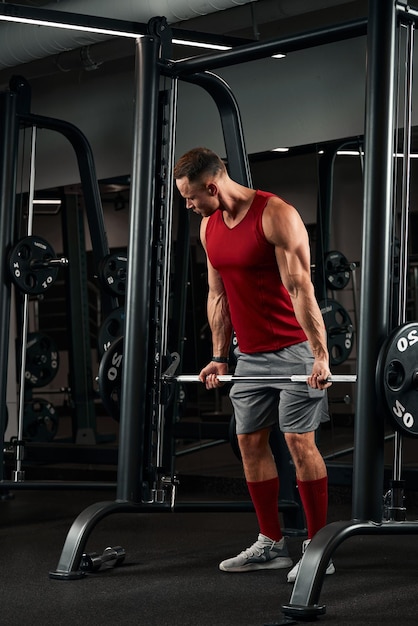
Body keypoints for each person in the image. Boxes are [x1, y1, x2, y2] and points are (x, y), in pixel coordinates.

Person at [174, 147, 335, 583]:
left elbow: (301, 288)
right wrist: (219, 356)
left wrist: (320, 354)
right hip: (249, 356)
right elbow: (217, 296)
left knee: (300, 444)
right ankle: (271, 543)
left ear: (212, 185)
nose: (187, 206)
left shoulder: (274, 214)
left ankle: (318, 549)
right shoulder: (209, 228)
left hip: (293, 350)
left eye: (190, 197)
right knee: (248, 444)